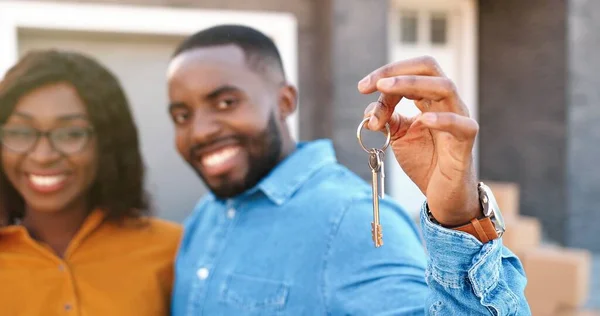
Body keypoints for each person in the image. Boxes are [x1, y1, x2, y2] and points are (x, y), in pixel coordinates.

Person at [168, 25, 530, 315]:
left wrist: (458, 220)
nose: (199, 131)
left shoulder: (351, 220)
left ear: (285, 101)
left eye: (226, 102)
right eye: (182, 116)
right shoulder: (205, 215)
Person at [0, 50, 182, 316]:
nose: (43, 155)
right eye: (20, 132)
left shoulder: (172, 250)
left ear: (108, 144)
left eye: (71, 133)